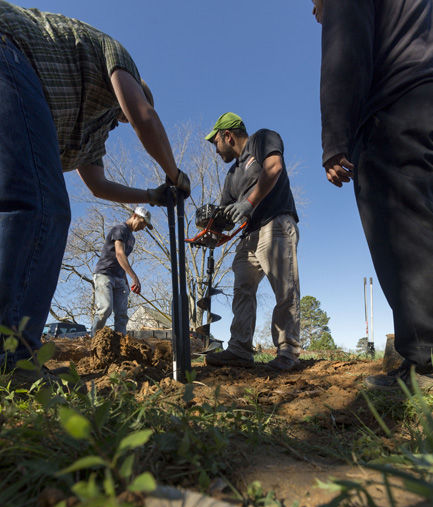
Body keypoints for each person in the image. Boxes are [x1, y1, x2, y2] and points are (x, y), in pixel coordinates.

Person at [0, 1, 190, 384]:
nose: (121, 118)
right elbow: (143, 116)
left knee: (32, 205)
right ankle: (12, 361)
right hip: (9, 49)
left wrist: (152, 196)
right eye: (125, 108)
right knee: (41, 208)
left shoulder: (94, 129)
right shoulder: (118, 56)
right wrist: (175, 175)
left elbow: (97, 184)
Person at [312, 0, 433, 391]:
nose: (311, 8)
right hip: (425, 95)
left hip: (397, 105)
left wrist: (335, 136)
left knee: (402, 231)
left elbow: (345, 48)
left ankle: (426, 364)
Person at [204, 112, 301, 372]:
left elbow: (274, 168)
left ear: (228, 135)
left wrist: (248, 202)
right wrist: (209, 233)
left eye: (215, 143)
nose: (215, 150)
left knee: (285, 289)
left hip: (275, 224)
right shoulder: (231, 174)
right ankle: (239, 349)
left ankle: (287, 350)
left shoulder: (262, 139)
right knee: (242, 290)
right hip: (248, 236)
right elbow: (224, 216)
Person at [92, 207, 152, 336]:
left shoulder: (132, 239)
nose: (143, 227)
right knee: (105, 309)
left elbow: (122, 261)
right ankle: (93, 340)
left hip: (119, 278)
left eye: (145, 225)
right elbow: (119, 254)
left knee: (122, 314)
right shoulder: (120, 229)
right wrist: (134, 277)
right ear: (134, 216)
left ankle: (120, 345)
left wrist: (126, 280)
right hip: (104, 274)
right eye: (142, 223)